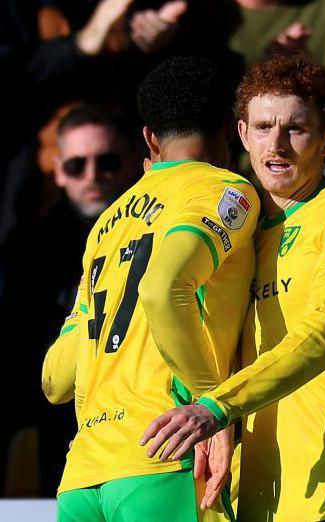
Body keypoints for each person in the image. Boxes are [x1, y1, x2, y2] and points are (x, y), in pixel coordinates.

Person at [140, 54, 325, 521]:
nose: (277, 145)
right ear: (242, 135)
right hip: (262, 502)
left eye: (296, 129)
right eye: (263, 127)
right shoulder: (240, 231)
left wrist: (216, 408)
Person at [41, 56, 259, 520]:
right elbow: (162, 289)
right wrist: (213, 406)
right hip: (166, 456)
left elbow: (55, 381)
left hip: (82, 478)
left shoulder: (105, 225)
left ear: (150, 138)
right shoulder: (225, 190)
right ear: (232, 130)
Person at [0, 104, 139, 496]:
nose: (92, 176)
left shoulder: (158, 229)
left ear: (132, 162)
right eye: (77, 165)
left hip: (138, 428)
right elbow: (18, 351)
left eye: (107, 162)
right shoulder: (27, 248)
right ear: (59, 170)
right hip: (54, 429)